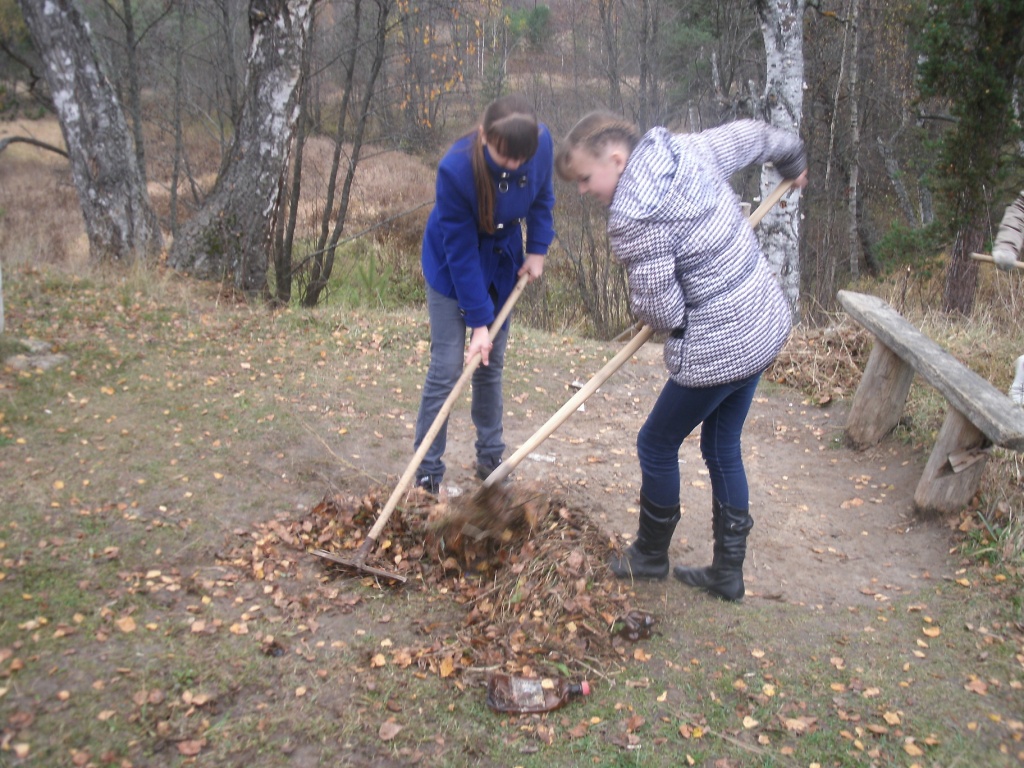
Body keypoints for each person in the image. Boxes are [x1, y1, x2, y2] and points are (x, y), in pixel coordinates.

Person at [554, 112, 808, 600]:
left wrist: (658, 309)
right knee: (720, 445)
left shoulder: (633, 216)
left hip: (720, 343)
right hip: (761, 320)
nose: (584, 190)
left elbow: (662, 310)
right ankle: (727, 574)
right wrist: (793, 160)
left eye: (586, 179)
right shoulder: (686, 150)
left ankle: (650, 556)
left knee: (655, 442)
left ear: (616, 158)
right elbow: (756, 136)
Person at [413, 95, 555, 494]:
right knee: (446, 369)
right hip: (452, 266)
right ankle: (426, 471)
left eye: (519, 161)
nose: (511, 166)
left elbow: (543, 196)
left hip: (502, 263)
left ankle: (490, 457)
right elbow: (458, 250)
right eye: (503, 157)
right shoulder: (456, 169)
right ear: (483, 137)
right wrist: (478, 321)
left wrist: (538, 248)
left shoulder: (540, 144)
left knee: (491, 366)